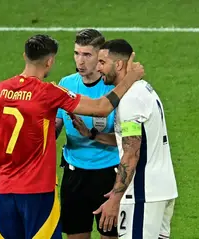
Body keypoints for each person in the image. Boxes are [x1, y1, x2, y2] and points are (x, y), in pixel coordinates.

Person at [0, 34, 144, 239]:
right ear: (50, 61)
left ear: (25, 56)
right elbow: (101, 107)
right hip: (38, 191)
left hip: (4, 191)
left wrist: (6, 174)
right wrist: (130, 78)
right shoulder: (49, 92)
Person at [73, 39, 178, 239]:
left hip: (142, 194)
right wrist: (92, 134)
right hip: (161, 190)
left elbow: (131, 153)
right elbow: (132, 140)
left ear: (119, 64)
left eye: (102, 62)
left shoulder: (130, 100)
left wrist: (115, 198)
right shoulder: (144, 89)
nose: (98, 68)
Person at [55, 29, 119, 239]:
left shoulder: (113, 88)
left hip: (109, 174)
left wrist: (92, 135)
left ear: (101, 56)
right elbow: (55, 126)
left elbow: (125, 140)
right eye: (77, 53)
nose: (80, 61)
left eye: (87, 55)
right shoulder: (66, 84)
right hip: (74, 176)